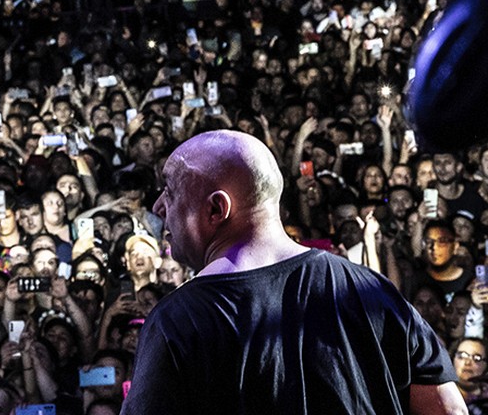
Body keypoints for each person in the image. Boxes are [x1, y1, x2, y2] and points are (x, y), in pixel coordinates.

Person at [126, 130, 463, 414]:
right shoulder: (370, 289)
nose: (158, 207)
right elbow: (448, 409)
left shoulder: (176, 323)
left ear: (216, 208)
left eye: (170, 192)